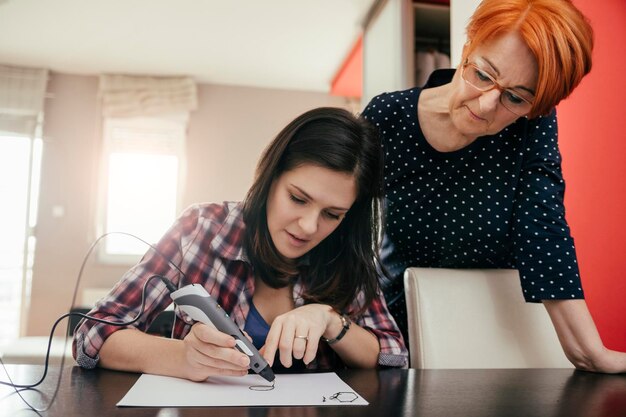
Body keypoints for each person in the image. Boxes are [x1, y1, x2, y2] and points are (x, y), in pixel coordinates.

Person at [363, 0, 626, 372]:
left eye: (515, 97)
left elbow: (543, 227)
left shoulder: (531, 125)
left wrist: (589, 352)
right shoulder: (387, 117)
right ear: (468, 46)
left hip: (494, 330)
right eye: (483, 75)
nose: (487, 105)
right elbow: (339, 219)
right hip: (394, 333)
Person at [72, 107, 408, 381]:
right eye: (297, 198)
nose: (308, 226)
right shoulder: (202, 229)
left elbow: (393, 355)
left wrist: (330, 319)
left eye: (332, 214)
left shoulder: (345, 252)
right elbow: (92, 336)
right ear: (270, 177)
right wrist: (183, 357)